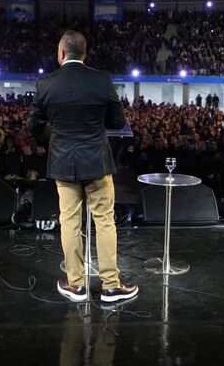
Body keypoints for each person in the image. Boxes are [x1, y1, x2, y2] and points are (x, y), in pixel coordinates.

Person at [27, 30, 138, 303]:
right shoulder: (101, 80)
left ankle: (76, 285)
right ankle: (111, 286)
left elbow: (33, 126)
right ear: (84, 54)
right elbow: (116, 122)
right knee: (105, 222)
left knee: (70, 223)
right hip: (97, 162)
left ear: (61, 53)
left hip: (64, 163)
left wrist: (56, 135)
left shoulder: (46, 83)